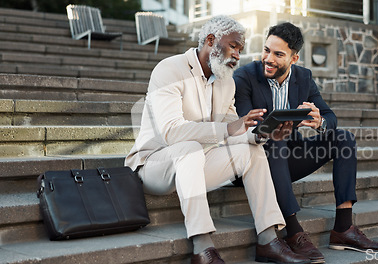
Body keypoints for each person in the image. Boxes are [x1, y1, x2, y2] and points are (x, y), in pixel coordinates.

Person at [125, 16, 311, 264]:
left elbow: (235, 130)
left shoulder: (226, 82)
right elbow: (171, 132)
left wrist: (262, 135)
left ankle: (268, 240)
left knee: (253, 152)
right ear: (211, 41)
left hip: (198, 164)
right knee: (189, 148)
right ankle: (203, 246)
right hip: (155, 165)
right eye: (233, 46)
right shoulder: (170, 69)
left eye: (240, 50)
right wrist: (227, 129)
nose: (237, 55)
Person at [233, 22, 378, 263]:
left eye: (278, 54)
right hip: (255, 162)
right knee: (275, 140)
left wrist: (320, 122)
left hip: (288, 158)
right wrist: (270, 131)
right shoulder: (245, 76)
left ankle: (344, 229)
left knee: (343, 138)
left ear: (294, 58)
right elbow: (245, 126)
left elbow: (330, 117)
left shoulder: (304, 78)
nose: (269, 58)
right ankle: (294, 232)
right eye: (266, 50)